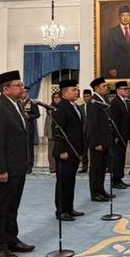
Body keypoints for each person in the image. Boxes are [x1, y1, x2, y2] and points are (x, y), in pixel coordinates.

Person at [0, 71, 35, 257]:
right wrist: (0, 169)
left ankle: (11, 239)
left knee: (13, 205)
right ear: (6, 89)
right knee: (1, 206)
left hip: (18, 166)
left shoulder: (17, 105)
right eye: (18, 86)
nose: (22, 89)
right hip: (5, 168)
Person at [51, 80, 85, 221]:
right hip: (65, 152)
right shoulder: (60, 108)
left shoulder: (75, 106)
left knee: (71, 181)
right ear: (64, 93)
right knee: (63, 182)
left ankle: (69, 208)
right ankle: (61, 210)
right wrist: (62, 151)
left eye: (77, 90)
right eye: (73, 90)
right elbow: (57, 132)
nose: (77, 92)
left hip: (75, 150)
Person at [85, 78, 113, 202]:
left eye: (106, 86)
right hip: (97, 142)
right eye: (103, 86)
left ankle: (101, 190)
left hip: (105, 140)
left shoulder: (102, 100)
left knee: (102, 168)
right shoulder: (93, 102)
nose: (106, 88)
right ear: (96, 88)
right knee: (96, 168)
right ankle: (95, 193)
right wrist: (96, 143)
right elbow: (92, 125)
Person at [108, 81, 130, 189]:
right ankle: (115, 180)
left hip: (124, 135)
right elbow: (114, 122)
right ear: (118, 90)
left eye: (127, 89)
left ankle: (119, 178)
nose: (126, 91)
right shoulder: (115, 102)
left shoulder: (123, 101)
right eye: (124, 89)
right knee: (117, 158)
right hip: (118, 137)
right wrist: (115, 136)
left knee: (121, 158)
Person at [44, 91, 63, 174]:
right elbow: (47, 121)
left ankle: (59, 167)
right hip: (51, 132)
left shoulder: (63, 107)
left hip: (60, 134)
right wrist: (46, 132)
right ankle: (52, 168)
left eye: (58, 97)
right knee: (51, 152)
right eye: (55, 97)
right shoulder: (50, 107)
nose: (56, 99)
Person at [79, 89, 92, 174]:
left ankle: (93, 167)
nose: (86, 98)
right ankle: (84, 166)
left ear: (91, 96)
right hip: (83, 132)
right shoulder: (80, 107)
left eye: (87, 96)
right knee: (83, 151)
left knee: (93, 151)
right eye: (84, 96)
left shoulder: (94, 106)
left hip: (92, 132)